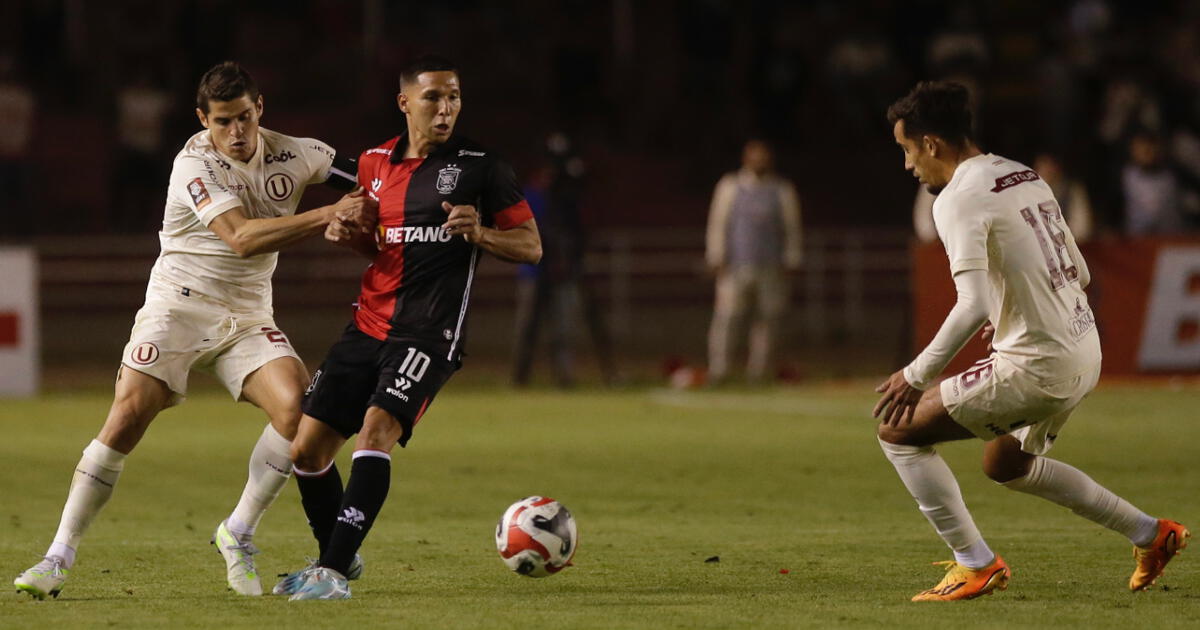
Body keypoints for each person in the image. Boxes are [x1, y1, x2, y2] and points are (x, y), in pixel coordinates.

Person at [14, 61, 373, 599]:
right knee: (129, 412)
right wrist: (326, 216)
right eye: (223, 121)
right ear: (203, 118)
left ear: (260, 109)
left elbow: (376, 183)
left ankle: (239, 531)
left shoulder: (302, 153)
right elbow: (242, 238)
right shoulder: (193, 163)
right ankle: (57, 557)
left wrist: (375, 209)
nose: (236, 132)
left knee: (300, 414)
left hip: (248, 315)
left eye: (245, 118)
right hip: (177, 308)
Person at [874, 81, 1189, 602]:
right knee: (1006, 465)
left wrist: (915, 375)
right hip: (1085, 350)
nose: (909, 165)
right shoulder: (1021, 173)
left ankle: (974, 563)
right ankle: (1151, 534)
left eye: (907, 150)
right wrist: (1012, 307)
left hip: (1037, 365)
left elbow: (970, 303)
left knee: (898, 431)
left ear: (931, 144)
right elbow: (1079, 272)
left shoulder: (957, 198)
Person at [272, 55, 541, 600]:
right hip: (366, 324)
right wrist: (347, 235)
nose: (446, 109)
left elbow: (532, 246)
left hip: (429, 334)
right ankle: (337, 560)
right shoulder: (373, 164)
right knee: (306, 451)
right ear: (404, 103)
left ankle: (328, 571)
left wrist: (483, 234)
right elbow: (379, 244)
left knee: (375, 433)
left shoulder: (483, 166)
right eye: (433, 98)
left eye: (454, 97)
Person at [705, 139, 802, 384]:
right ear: (745, 159)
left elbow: (791, 228)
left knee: (768, 320)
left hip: (770, 266)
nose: (758, 161)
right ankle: (720, 369)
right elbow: (718, 223)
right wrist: (716, 255)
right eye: (754, 156)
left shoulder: (781, 189)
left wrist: (791, 258)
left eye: (763, 156)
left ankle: (759, 372)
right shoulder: (730, 186)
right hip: (735, 265)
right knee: (727, 318)